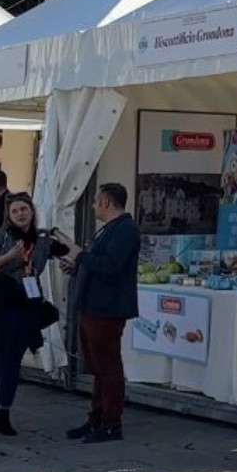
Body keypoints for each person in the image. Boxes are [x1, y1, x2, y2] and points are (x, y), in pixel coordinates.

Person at [0, 193, 67, 442]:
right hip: (1, 305)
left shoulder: (41, 242)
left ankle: (3, 415)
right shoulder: (0, 237)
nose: (20, 214)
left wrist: (55, 232)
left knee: (13, 362)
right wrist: (11, 256)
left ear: (32, 212)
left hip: (26, 305)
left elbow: (70, 251)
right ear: (9, 215)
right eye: (15, 210)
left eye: (24, 209)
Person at [58, 182, 140, 444]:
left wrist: (80, 255)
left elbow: (111, 266)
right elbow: (98, 263)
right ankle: (96, 418)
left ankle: (111, 423)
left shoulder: (125, 230)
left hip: (108, 307)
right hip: (93, 305)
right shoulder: (110, 229)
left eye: (95, 201)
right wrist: (78, 264)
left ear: (106, 202)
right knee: (97, 367)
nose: (93, 206)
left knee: (108, 366)